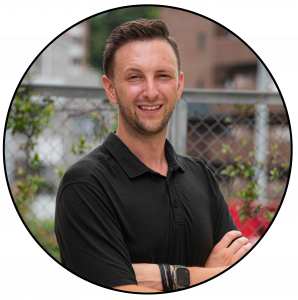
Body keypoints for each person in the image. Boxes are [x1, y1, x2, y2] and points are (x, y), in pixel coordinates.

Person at [54, 19, 252, 293]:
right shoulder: (86, 185)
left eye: (163, 75)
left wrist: (164, 277)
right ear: (111, 88)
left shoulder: (201, 176)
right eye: (134, 77)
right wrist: (209, 272)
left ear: (179, 85)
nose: (150, 91)